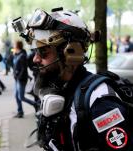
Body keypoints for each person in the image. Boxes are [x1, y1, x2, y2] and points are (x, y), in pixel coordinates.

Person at [14, 8, 133, 150]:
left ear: (71, 51)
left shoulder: (99, 100)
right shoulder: (63, 89)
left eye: (43, 51)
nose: (35, 59)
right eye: (35, 52)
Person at [12, 41, 38, 118]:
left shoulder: (22, 55)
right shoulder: (17, 54)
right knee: (16, 96)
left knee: (21, 97)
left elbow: (24, 68)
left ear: (17, 46)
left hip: (21, 79)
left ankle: (36, 104)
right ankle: (20, 112)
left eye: (14, 44)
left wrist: (19, 77)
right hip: (17, 78)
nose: (13, 46)